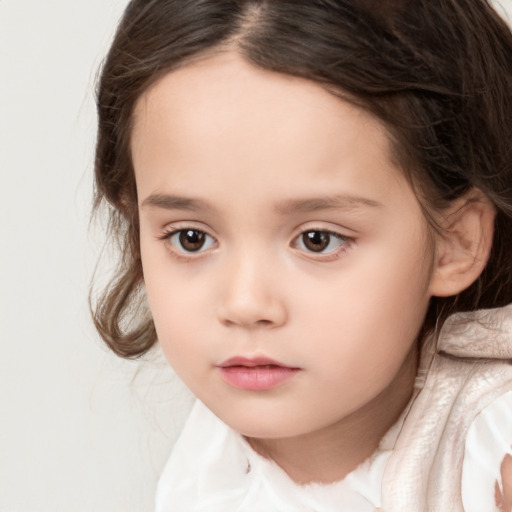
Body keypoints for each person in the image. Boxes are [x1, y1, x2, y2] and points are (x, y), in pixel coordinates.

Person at [91, 0, 512, 510]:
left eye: (317, 239)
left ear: (454, 242)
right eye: (191, 238)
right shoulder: (209, 464)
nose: (245, 304)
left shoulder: (493, 456)